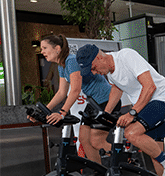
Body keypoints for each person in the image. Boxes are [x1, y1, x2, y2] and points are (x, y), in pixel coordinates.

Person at [76, 44, 165, 176]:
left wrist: (132, 113)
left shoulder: (126, 56)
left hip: (163, 98)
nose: (94, 73)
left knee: (131, 133)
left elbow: (150, 87)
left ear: (99, 58)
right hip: (147, 104)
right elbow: (117, 88)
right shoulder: (110, 72)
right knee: (154, 151)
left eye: (93, 68)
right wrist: (105, 113)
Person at [28, 35, 118, 164]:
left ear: (57, 48)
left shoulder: (71, 61)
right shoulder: (61, 65)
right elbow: (61, 92)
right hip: (93, 103)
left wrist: (62, 113)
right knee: (84, 140)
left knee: (96, 141)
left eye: (44, 48)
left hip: (106, 100)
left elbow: (75, 89)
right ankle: (99, 173)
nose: (42, 51)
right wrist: (43, 111)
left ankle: (127, 160)